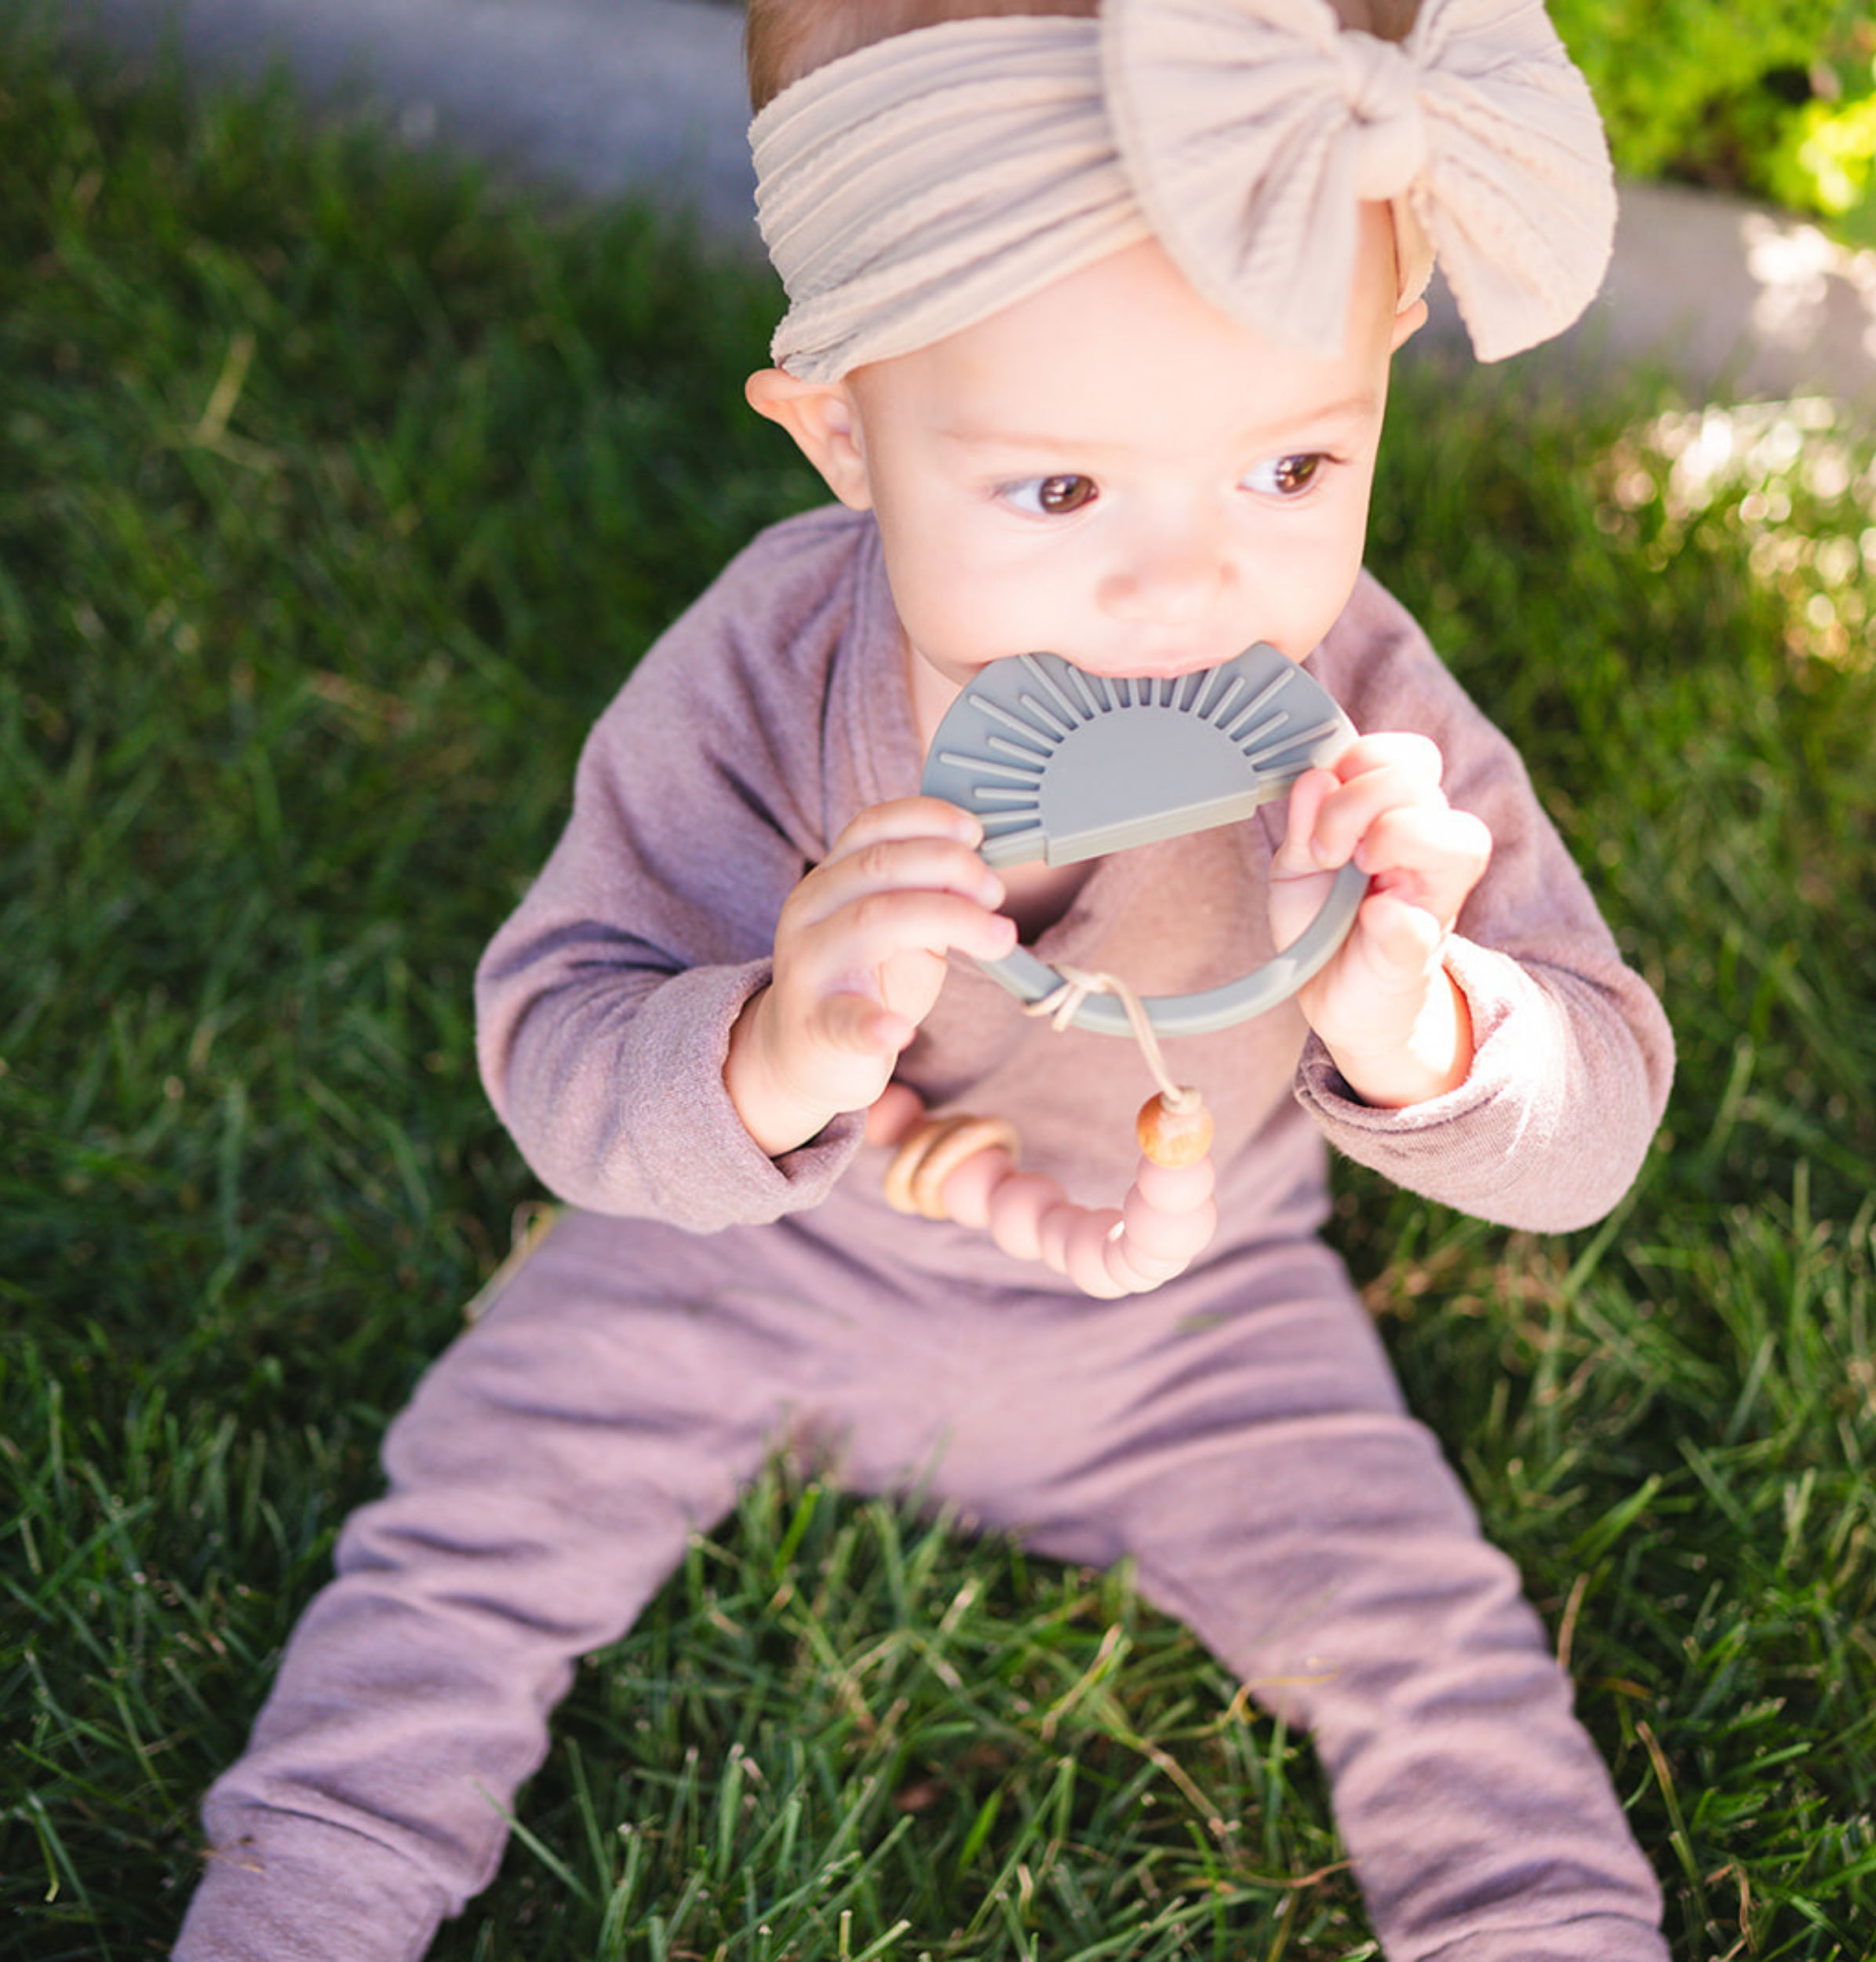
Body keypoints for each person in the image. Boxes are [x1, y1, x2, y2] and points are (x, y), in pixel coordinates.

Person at [174, 1, 1676, 1957]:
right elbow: (554, 1038)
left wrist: (1427, 1018)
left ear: (1378, 376)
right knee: (456, 1547)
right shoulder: (761, 676)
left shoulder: (1358, 722)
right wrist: (772, 1041)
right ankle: (305, 1898)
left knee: (1432, 1643)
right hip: (731, 1272)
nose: (1185, 586)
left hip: (1192, 1316)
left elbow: (1593, 1125)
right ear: (843, 434)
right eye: (1057, 491)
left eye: (1289, 466)